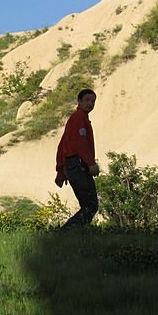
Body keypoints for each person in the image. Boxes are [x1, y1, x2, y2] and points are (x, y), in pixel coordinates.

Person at [55, 88, 100, 229]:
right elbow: (79, 143)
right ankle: (67, 233)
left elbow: (63, 145)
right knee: (90, 205)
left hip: (74, 166)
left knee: (88, 205)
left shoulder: (78, 118)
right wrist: (91, 163)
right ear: (79, 101)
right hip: (77, 166)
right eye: (87, 100)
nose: (90, 104)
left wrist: (61, 171)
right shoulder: (79, 118)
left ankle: (72, 233)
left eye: (93, 101)